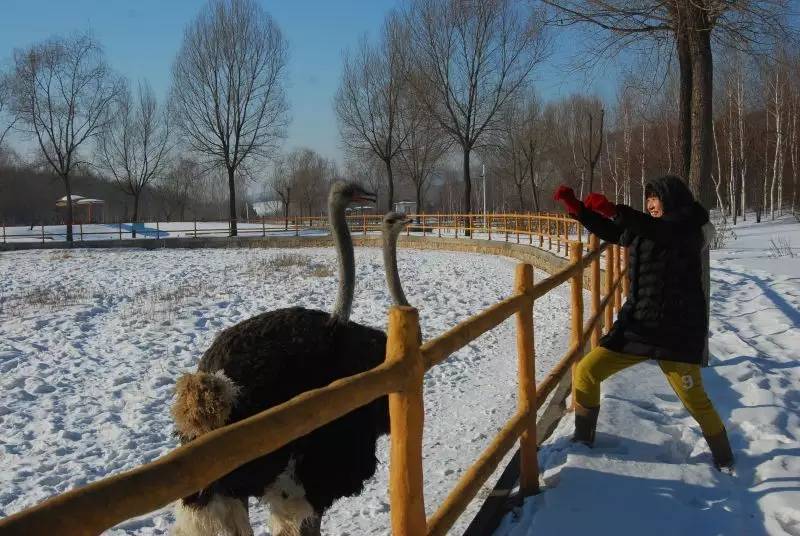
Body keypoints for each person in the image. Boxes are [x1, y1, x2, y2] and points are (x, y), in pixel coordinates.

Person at [553, 175, 734, 470]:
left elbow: (661, 232)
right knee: (586, 371)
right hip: (638, 326)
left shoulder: (688, 229)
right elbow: (616, 233)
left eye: (655, 198)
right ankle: (582, 440)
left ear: (671, 200)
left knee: (695, 400)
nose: (650, 204)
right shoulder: (646, 228)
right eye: (647, 199)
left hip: (677, 332)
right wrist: (580, 211)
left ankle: (725, 458)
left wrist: (614, 209)